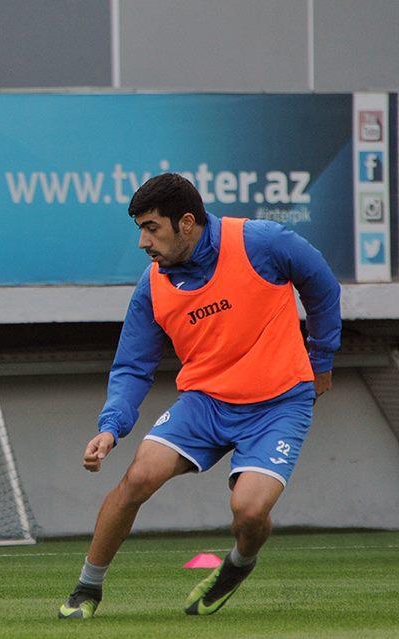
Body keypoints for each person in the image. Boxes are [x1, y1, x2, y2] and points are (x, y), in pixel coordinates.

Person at [58, 173, 341, 620]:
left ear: (186, 223)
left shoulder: (261, 242)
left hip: (279, 403)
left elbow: (322, 285)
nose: (143, 242)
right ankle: (86, 588)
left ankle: (238, 565)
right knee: (138, 478)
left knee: (248, 512)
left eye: (152, 228)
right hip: (204, 403)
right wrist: (110, 428)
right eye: (140, 229)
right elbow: (132, 366)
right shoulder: (152, 285)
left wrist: (321, 360)